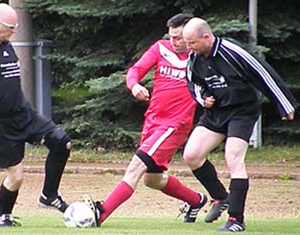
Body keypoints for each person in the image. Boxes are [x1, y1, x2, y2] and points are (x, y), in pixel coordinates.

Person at [81, 13, 209, 227]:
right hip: (153, 121)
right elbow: (136, 70)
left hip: (175, 125)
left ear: (190, 35)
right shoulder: (161, 48)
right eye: (171, 37)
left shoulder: (199, 59)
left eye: (179, 37)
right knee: (153, 179)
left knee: (135, 167)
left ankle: (101, 213)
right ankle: (196, 201)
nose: (174, 42)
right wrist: (135, 85)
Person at [0, 3, 71, 227]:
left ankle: (49, 195)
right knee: (16, 177)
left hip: (23, 115)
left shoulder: (7, 45)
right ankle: (3, 215)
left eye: (15, 27)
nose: (13, 32)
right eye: (10, 27)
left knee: (62, 142)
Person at [181, 17, 296, 232]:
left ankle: (236, 220)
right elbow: (192, 83)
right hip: (216, 112)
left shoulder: (233, 51)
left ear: (207, 37)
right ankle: (220, 197)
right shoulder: (194, 57)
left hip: (242, 111)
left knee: (233, 157)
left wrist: (284, 104)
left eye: (192, 42)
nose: (189, 47)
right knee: (191, 156)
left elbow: (264, 73)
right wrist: (203, 98)